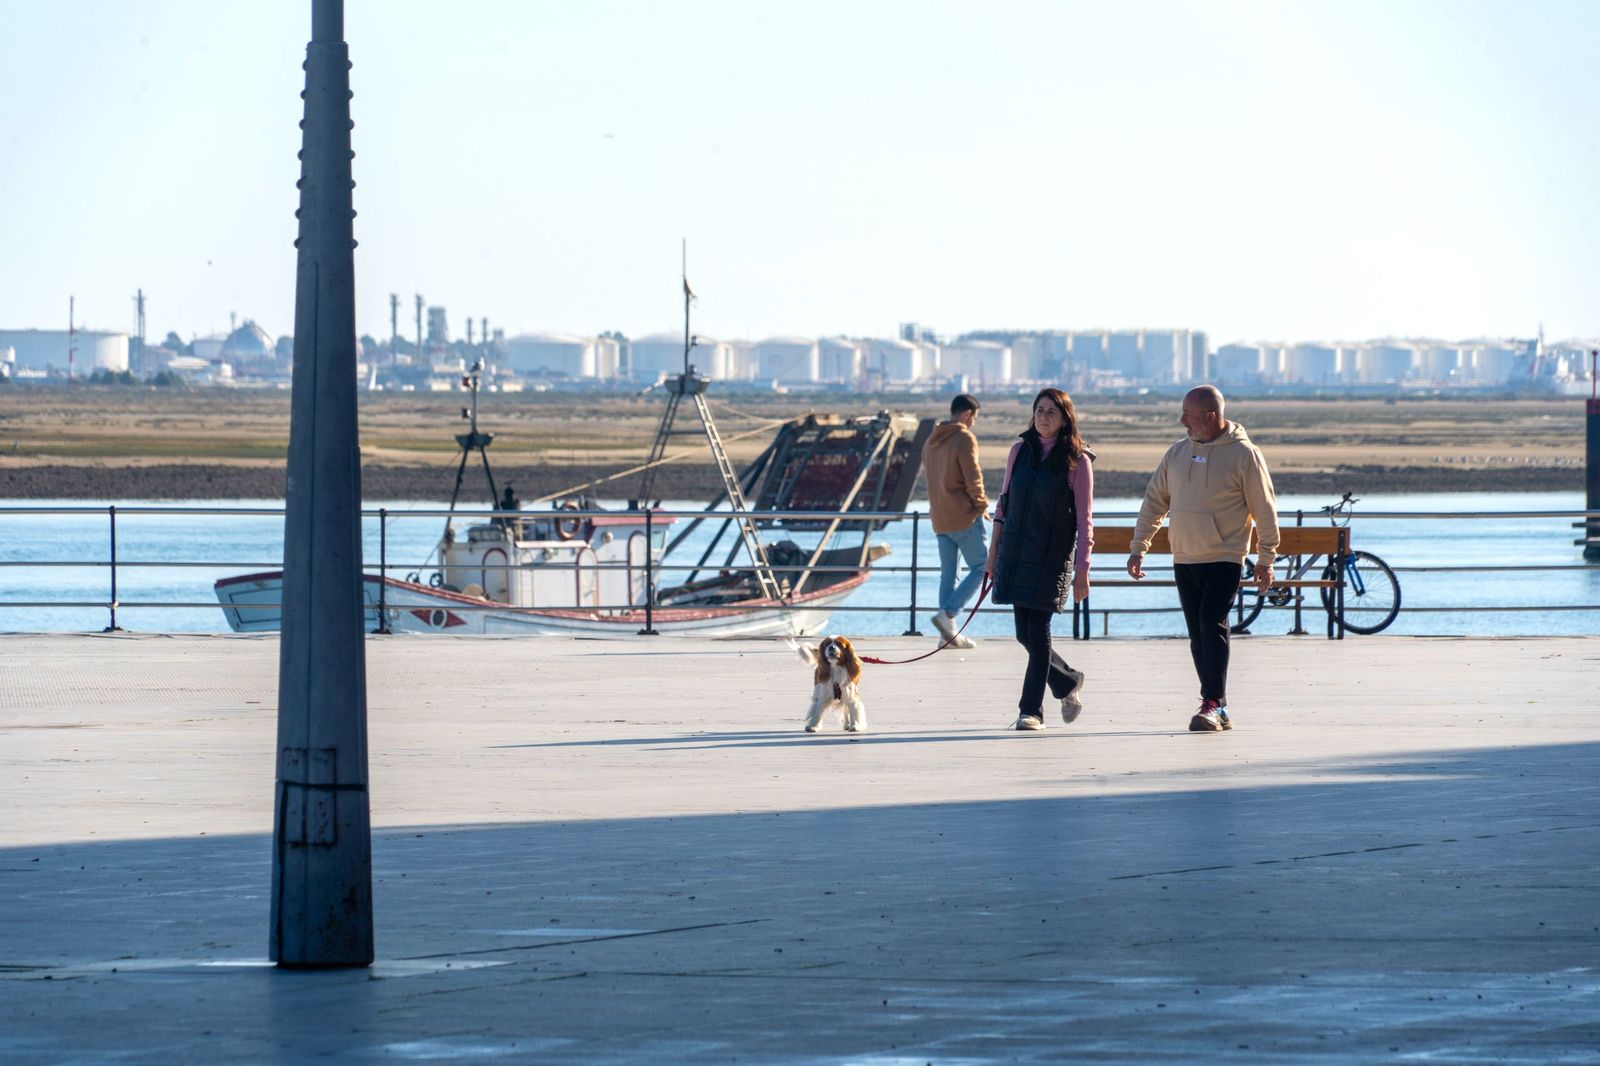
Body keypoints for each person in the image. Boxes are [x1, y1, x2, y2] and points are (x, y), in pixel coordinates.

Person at [1127, 385, 1279, 732]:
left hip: (1225, 554)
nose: (1181, 420)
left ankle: (1211, 702)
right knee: (1197, 632)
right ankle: (1217, 705)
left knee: (1211, 622)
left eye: (1187, 414)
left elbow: (1264, 509)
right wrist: (1139, 547)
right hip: (1184, 555)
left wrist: (1265, 557)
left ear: (1210, 416)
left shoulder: (1245, 454)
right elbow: (1154, 501)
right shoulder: (1177, 453)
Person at [984, 388, 1093, 731]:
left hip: (1051, 557)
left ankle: (1031, 711)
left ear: (1065, 419)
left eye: (1052, 411)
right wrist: (993, 552)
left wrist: (1082, 571)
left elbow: (1084, 520)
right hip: (1016, 554)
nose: (1044, 417)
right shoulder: (1019, 451)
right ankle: (1067, 681)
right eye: (1039, 410)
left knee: (1038, 631)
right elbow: (1003, 504)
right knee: (1023, 634)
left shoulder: (1078, 460)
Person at [921, 393, 989, 649]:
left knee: (948, 575)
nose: (973, 424)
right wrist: (982, 505)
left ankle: (946, 636)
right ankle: (948, 614)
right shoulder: (963, 438)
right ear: (966, 414)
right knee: (982, 567)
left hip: (939, 518)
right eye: (974, 418)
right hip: (964, 516)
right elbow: (973, 477)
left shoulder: (931, 441)